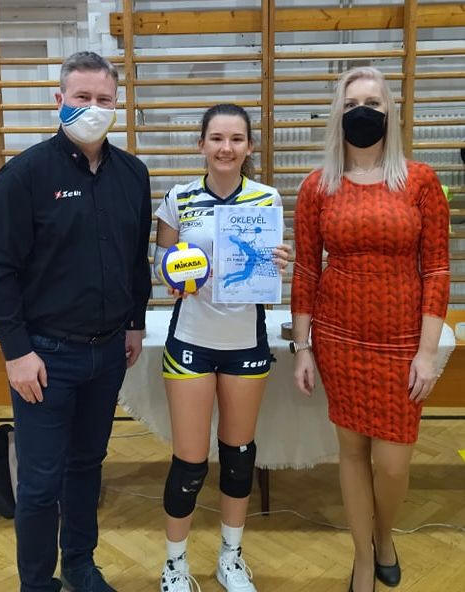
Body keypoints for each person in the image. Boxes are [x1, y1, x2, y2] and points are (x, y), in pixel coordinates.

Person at [0, 51, 152, 592]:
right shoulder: (25, 175)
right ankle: (37, 583)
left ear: (117, 104)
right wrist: (16, 351)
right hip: (45, 357)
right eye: (82, 97)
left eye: (104, 99)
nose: (94, 108)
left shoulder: (133, 174)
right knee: (39, 482)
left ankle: (79, 564)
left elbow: (135, 258)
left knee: (87, 466)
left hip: (108, 352)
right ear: (59, 99)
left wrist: (135, 322)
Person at [291, 67, 450, 592]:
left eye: (375, 103)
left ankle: (385, 535)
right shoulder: (317, 187)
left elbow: (437, 269)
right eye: (353, 102)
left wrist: (427, 352)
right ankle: (364, 557)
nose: (364, 111)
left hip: (403, 342)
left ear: (390, 112)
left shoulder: (420, 181)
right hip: (338, 338)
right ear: (338, 113)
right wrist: (302, 347)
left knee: (394, 463)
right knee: (353, 453)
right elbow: (306, 270)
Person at [154, 103, 291, 592]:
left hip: (245, 343)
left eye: (236, 139)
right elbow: (161, 262)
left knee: (238, 456)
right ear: (201, 145)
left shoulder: (267, 198)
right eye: (216, 138)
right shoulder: (179, 198)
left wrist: (278, 260)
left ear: (249, 146)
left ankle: (230, 559)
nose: (226, 147)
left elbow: (268, 271)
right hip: (191, 340)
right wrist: (173, 273)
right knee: (189, 463)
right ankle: (175, 565)